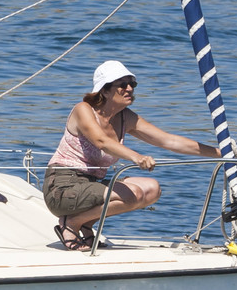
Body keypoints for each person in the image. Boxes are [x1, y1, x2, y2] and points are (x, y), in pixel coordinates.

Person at [42, 57, 220, 250]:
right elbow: (102, 142)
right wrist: (137, 157)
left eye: (132, 83)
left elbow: (169, 141)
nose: (129, 88)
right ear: (105, 89)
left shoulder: (125, 117)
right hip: (62, 187)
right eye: (122, 84)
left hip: (90, 187)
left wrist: (220, 153)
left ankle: (85, 222)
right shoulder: (83, 110)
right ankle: (72, 223)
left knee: (152, 189)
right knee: (133, 193)